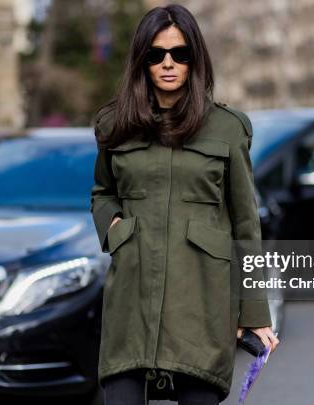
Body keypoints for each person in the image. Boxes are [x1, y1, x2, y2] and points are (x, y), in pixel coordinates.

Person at [90, 4, 279, 405]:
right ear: (142, 61)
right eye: (156, 55)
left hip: (202, 307)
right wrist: (113, 228)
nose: (168, 64)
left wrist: (256, 314)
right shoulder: (115, 124)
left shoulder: (228, 128)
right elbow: (103, 192)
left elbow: (246, 226)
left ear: (196, 59)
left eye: (180, 53)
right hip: (131, 302)